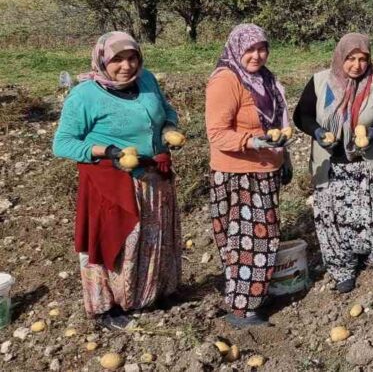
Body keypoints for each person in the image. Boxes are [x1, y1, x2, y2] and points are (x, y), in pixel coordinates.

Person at [52, 32, 183, 330]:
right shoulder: (85, 96)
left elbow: (166, 110)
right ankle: (106, 308)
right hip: (112, 182)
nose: (127, 66)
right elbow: (62, 143)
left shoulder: (147, 80)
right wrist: (106, 151)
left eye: (132, 57)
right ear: (102, 60)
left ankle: (150, 294)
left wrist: (168, 129)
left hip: (153, 176)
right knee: (116, 240)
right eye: (117, 59)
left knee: (154, 238)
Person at [293, 33, 373, 293]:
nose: (357, 65)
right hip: (332, 166)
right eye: (351, 59)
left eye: (363, 59)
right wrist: (319, 133)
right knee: (332, 219)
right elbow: (302, 115)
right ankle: (342, 268)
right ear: (339, 57)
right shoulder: (320, 82)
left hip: (370, 164)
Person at [205, 23, 292, 328]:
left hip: (265, 168)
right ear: (236, 49)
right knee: (248, 241)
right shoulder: (226, 80)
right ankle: (242, 309)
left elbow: (277, 124)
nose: (257, 56)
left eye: (262, 48)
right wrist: (253, 142)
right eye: (250, 50)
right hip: (238, 174)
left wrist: (284, 156)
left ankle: (253, 294)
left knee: (264, 238)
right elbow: (216, 134)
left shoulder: (265, 79)